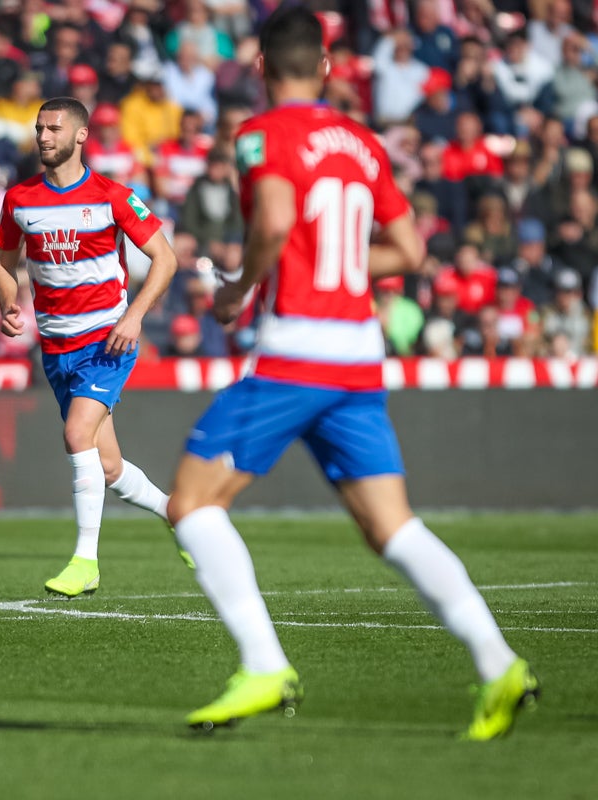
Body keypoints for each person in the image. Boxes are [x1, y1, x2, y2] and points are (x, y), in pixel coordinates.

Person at [166, 7, 536, 740]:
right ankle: (499, 664)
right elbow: (410, 251)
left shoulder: (261, 135)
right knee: (391, 526)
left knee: (192, 504)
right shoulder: (364, 143)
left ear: (261, 66)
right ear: (328, 66)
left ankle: (264, 665)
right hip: (359, 353)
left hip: (298, 349)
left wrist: (241, 288)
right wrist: (331, 264)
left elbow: (275, 221)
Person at [0, 96, 181, 598]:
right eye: (39, 128)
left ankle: (85, 562)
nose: (43, 136)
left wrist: (133, 317)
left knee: (77, 435)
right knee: (109, 466)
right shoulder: (19, 199)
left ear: (81, 135)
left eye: (54, 128)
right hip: (56, 347)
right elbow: (3, 263)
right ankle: (175, 513)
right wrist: (7, 302)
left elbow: (165, 259)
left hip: (107, 340)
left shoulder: (113, 196)